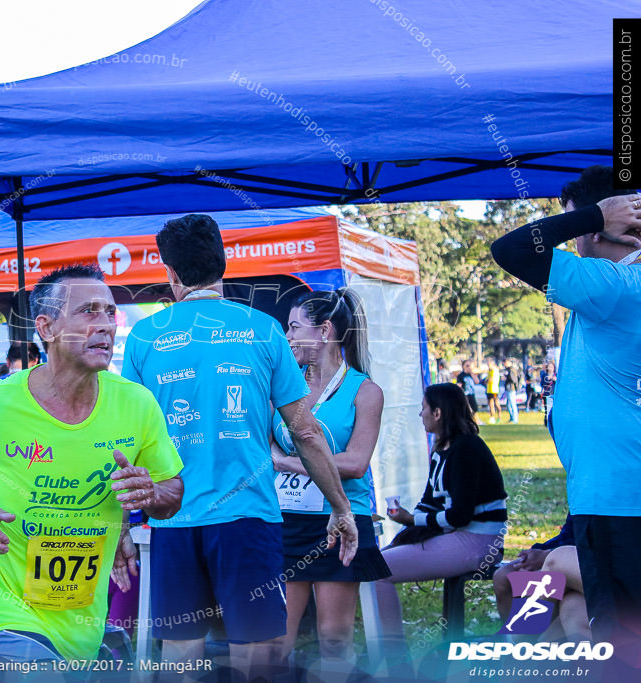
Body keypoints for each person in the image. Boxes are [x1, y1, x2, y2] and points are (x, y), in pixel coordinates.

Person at [121, 214, 357, 680]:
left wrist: (119, 527)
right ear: (224, 265)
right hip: (248, 515)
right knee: (258, 650)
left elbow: (125, 442)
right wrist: (341, 508)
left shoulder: (144, 336)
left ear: (169, 273)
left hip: (174, 514)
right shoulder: (264, 329)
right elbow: (305, 432)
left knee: (180, 650)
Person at [0, 265, 185, 665]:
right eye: (88, 311)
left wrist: (150, 495)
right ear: (46, 328)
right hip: (0, 610)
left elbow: (172, 491)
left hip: (83, 620)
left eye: (110, 312)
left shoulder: (137, 404)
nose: (106, 325)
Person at [491, 165, 641, 668]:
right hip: (606, 503)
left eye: (574, 226)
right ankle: (519, 660)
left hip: (623, 505)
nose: (571, 238)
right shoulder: (610, 290)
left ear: (603, 226)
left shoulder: (618, 287)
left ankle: (514, 659)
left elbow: (510, 250)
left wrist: (596, 214)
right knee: (596, 627)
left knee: (623, 649)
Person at [268, 289, 390, 671]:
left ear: (324, 332)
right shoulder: (285, 388)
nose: (287, 337)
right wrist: (283, 457)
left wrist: (288, 462)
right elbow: (263, 443)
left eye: (293, 327)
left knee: (334, 641)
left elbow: (355, 463)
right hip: (285, 522)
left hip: (339, 522)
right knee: (275, 642)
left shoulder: (365, 391)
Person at [374, 383, 507, 656]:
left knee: (378, 570)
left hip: (478, 541)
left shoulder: (466, 449)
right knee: (374, 563)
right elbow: (431, 500)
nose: (419, 414)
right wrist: (405, 519)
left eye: (423, 408)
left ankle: (394, 658)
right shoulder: (442, 447)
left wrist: (415, 521)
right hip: (461, 536)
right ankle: (388, 653)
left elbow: (460, 515)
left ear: (437, 412)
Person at [493, 513, 574, 625]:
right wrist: (537, 552)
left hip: (583, 567)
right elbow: (569, 534)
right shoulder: (581, 498)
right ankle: (513, 635)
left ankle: (524, 635)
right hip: (560, 556)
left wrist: (547, 555)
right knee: (504, 576)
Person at [503, 358, 521, 424]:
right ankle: (512, 418)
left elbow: (514, 379)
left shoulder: (511, 370)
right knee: (508, 404)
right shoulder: (509, 370)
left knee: (512, 404)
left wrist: (507, 377)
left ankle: (515, 419)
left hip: (511, 388)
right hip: (509, 389)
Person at [484, 358, 501, 424]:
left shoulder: (494, 370)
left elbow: (491, 379)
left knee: (495, 404)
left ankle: (498, 417)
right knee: (491, 404)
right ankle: (492, 417)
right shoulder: (490, 371)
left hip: (493, 390)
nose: (488, 366)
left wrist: (486, 381)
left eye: (489, 364)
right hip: (489, 389)